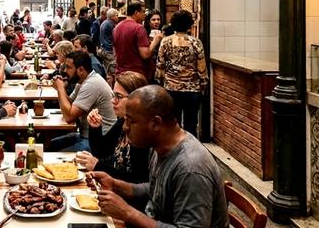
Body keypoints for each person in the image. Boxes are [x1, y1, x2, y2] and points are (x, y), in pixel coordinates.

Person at [88, 85, 228, 228]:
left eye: (131, 121)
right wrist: (115, 184)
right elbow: (155, 189)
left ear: (156, 123)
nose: (125, 127)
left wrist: (128, 213)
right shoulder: (160, 147)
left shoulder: (190, 168)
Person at [77, 71, 150, 184]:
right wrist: (96, 128)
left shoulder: (142, 133)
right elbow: (101, 152)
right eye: (113, 95)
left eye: (118, 96)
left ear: (136, 99)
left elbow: (136, 180)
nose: (113, 101)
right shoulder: (122, 121)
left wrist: (98, 166)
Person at [50, 51, 116, 152]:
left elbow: (69, 117)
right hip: (85, 134)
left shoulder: (91, 84)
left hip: (99, 140)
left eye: (68, 67)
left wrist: (61, 89)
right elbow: (70, 105)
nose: (65, 70)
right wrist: (60, 89)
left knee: (57, 156)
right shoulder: (81, 81)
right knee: (53, 144)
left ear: (81, 70)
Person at [155, 10, 208, 136]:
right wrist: (203, 85)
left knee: (173, 123)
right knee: (191, 124)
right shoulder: (196, 43)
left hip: (171, 88)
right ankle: (190, 149)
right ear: (190, 24)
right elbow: (202, 68)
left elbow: (160, 66)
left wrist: (162, 82)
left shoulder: (166, 42)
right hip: (192, 89)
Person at [113, 2, 163, 81]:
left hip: (120, 73)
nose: (144, 15)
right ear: (136, 12)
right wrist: (156, 40)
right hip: (136, 74)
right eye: (143, 12)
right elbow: (145, 54)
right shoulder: (139, 28)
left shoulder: (117, 27)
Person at [99, 8, 119, 85]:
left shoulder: (104, 23)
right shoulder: (111, 24)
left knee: (108, 71)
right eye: (116, 15)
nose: (118, 17)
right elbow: (115, 37)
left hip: (104, 49)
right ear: (112, 16)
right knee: (112, 73)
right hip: (109, 51)